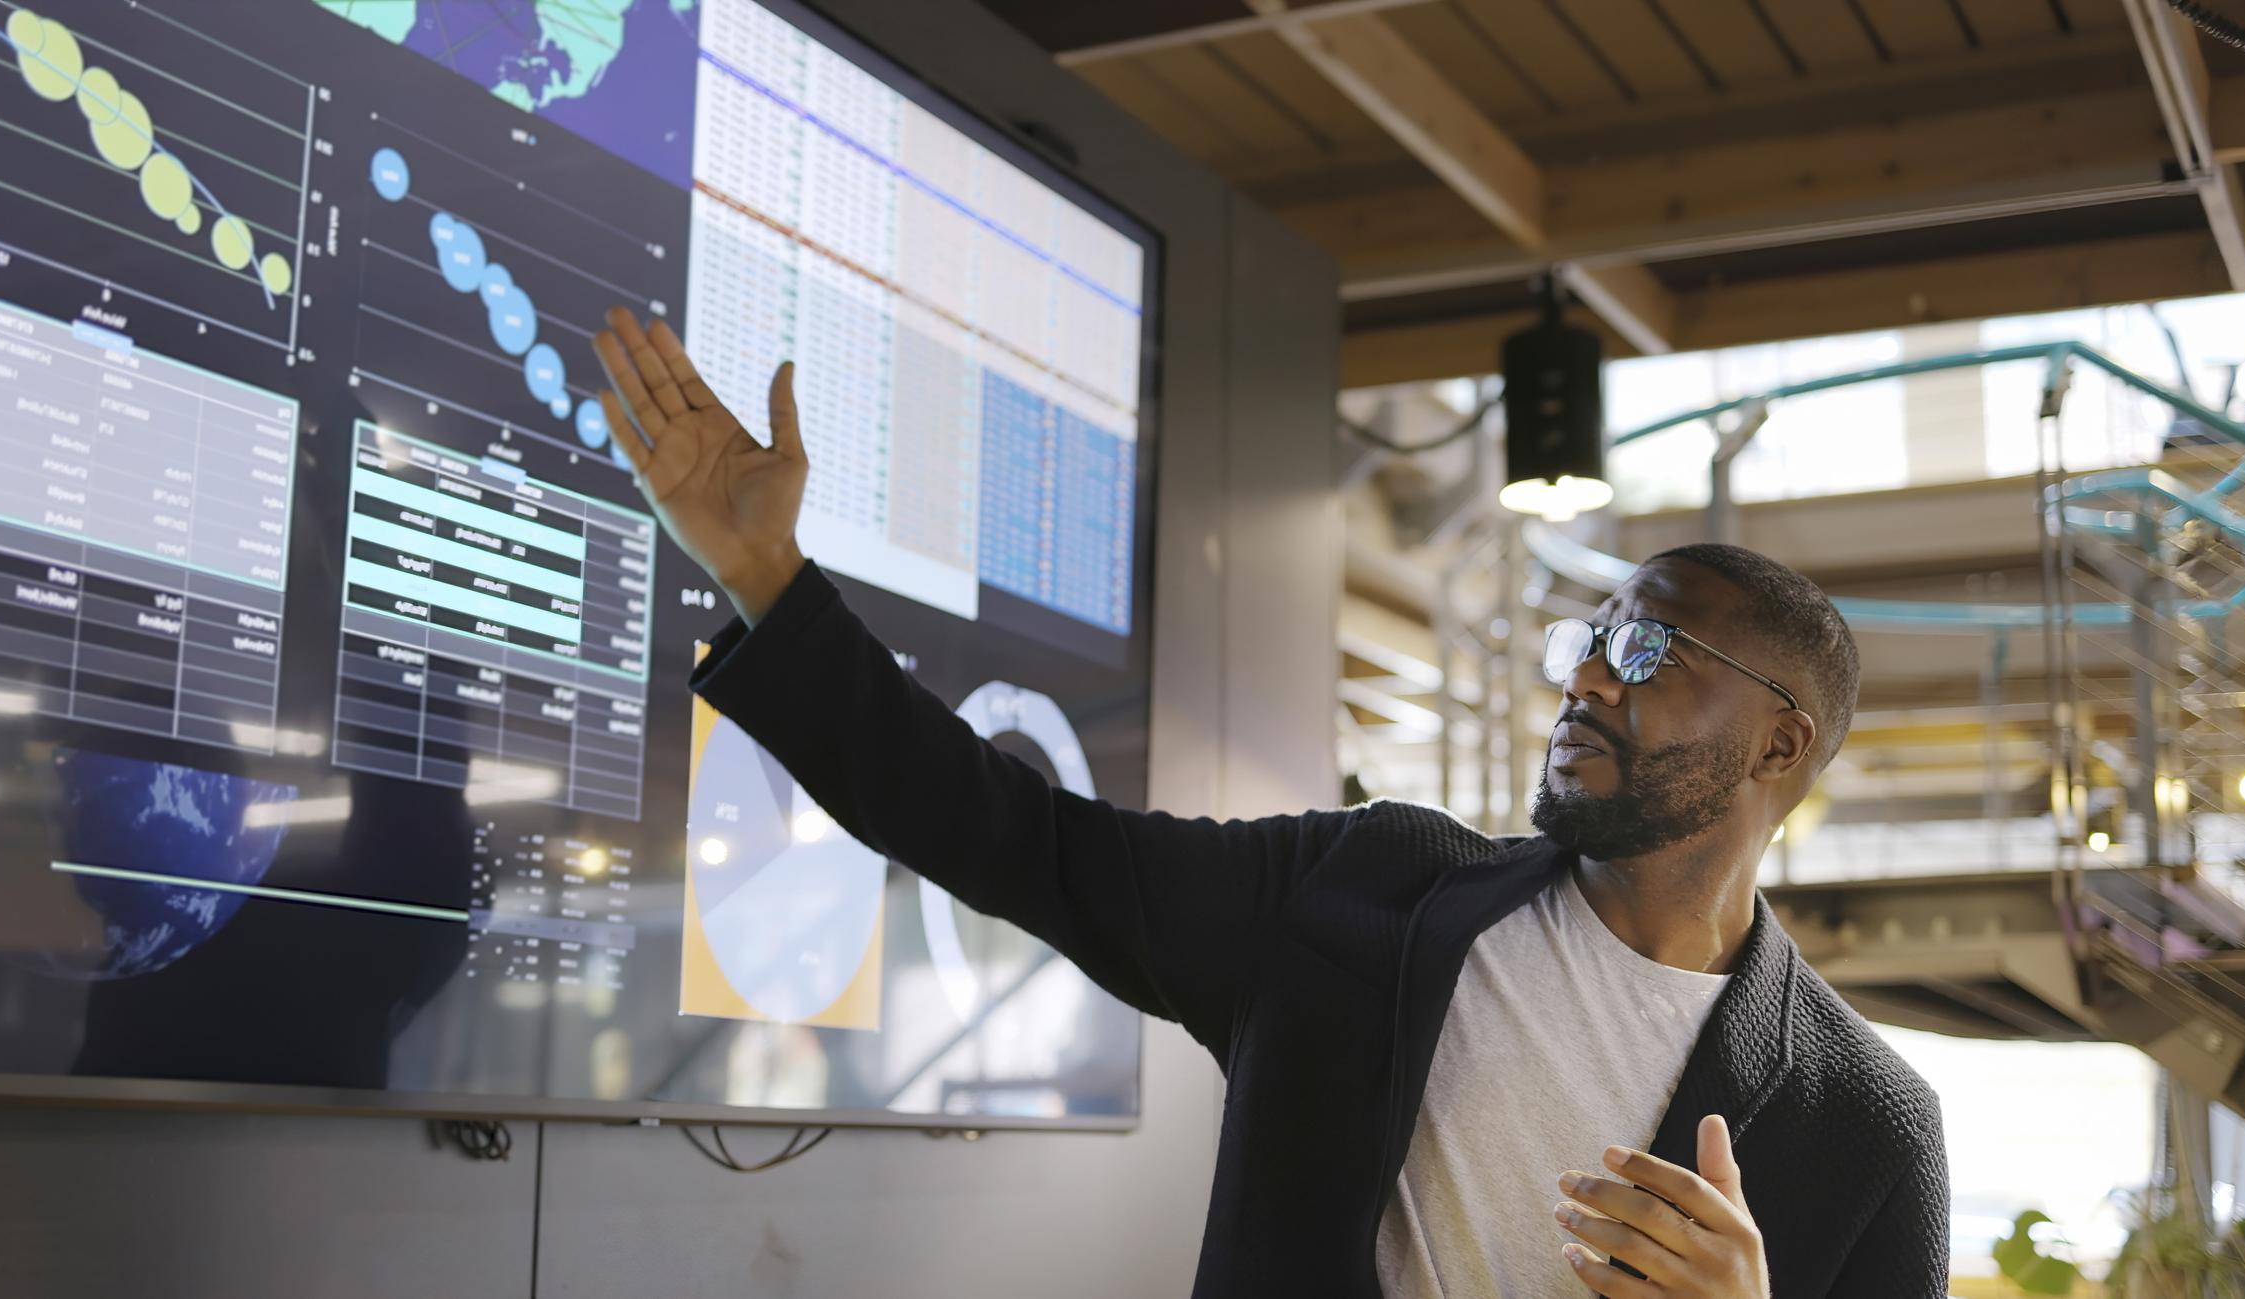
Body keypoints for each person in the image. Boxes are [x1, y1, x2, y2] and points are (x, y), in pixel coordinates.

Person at [590, 307, 1950, 1299]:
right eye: (1582, 640)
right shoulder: (1359, 894)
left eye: (1647, 650)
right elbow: (1012, 838)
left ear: (1780, 747)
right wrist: (768, 576)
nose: (1588, 676)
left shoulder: (1867, 1128)